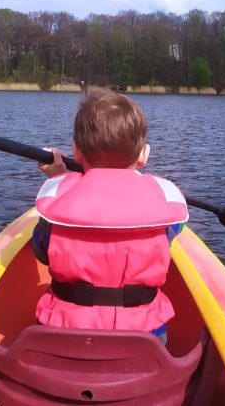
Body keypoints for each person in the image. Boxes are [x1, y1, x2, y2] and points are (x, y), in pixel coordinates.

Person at [32, 89, 188, 345]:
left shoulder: (58, 207)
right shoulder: (165, 208)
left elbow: (41, 251)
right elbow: (170, 233)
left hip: (64, 337)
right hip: (144, 341)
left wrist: (60, 179)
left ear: (76, 152)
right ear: (143, 155)